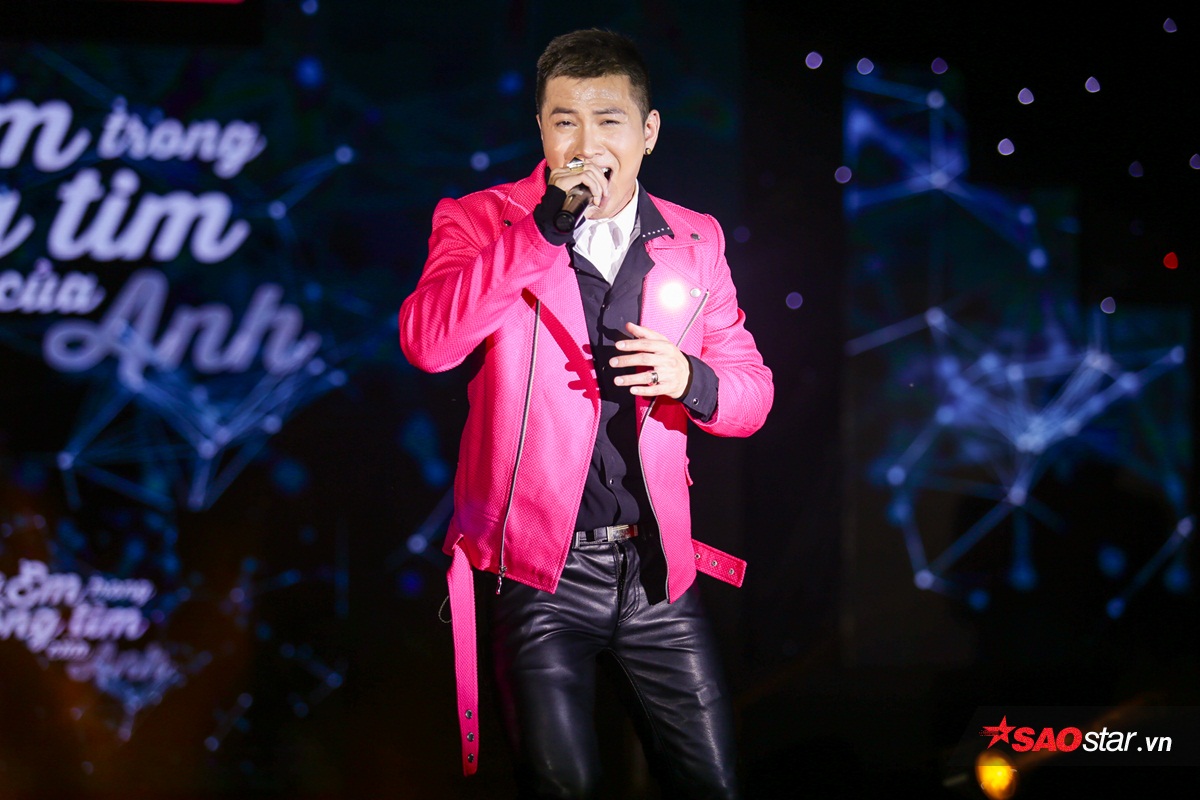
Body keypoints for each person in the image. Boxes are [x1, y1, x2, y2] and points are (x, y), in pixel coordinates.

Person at [400, 29, 772, 799]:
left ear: (648, 132)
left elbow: (752, 394)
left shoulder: (694, 238)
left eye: (608, 121)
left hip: (658, 574)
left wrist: (690, 378)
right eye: (564, 121)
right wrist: (541, 231)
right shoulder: (482, 220)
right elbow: (429, 343)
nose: (586, 144)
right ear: (541, 128)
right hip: (538, 574)